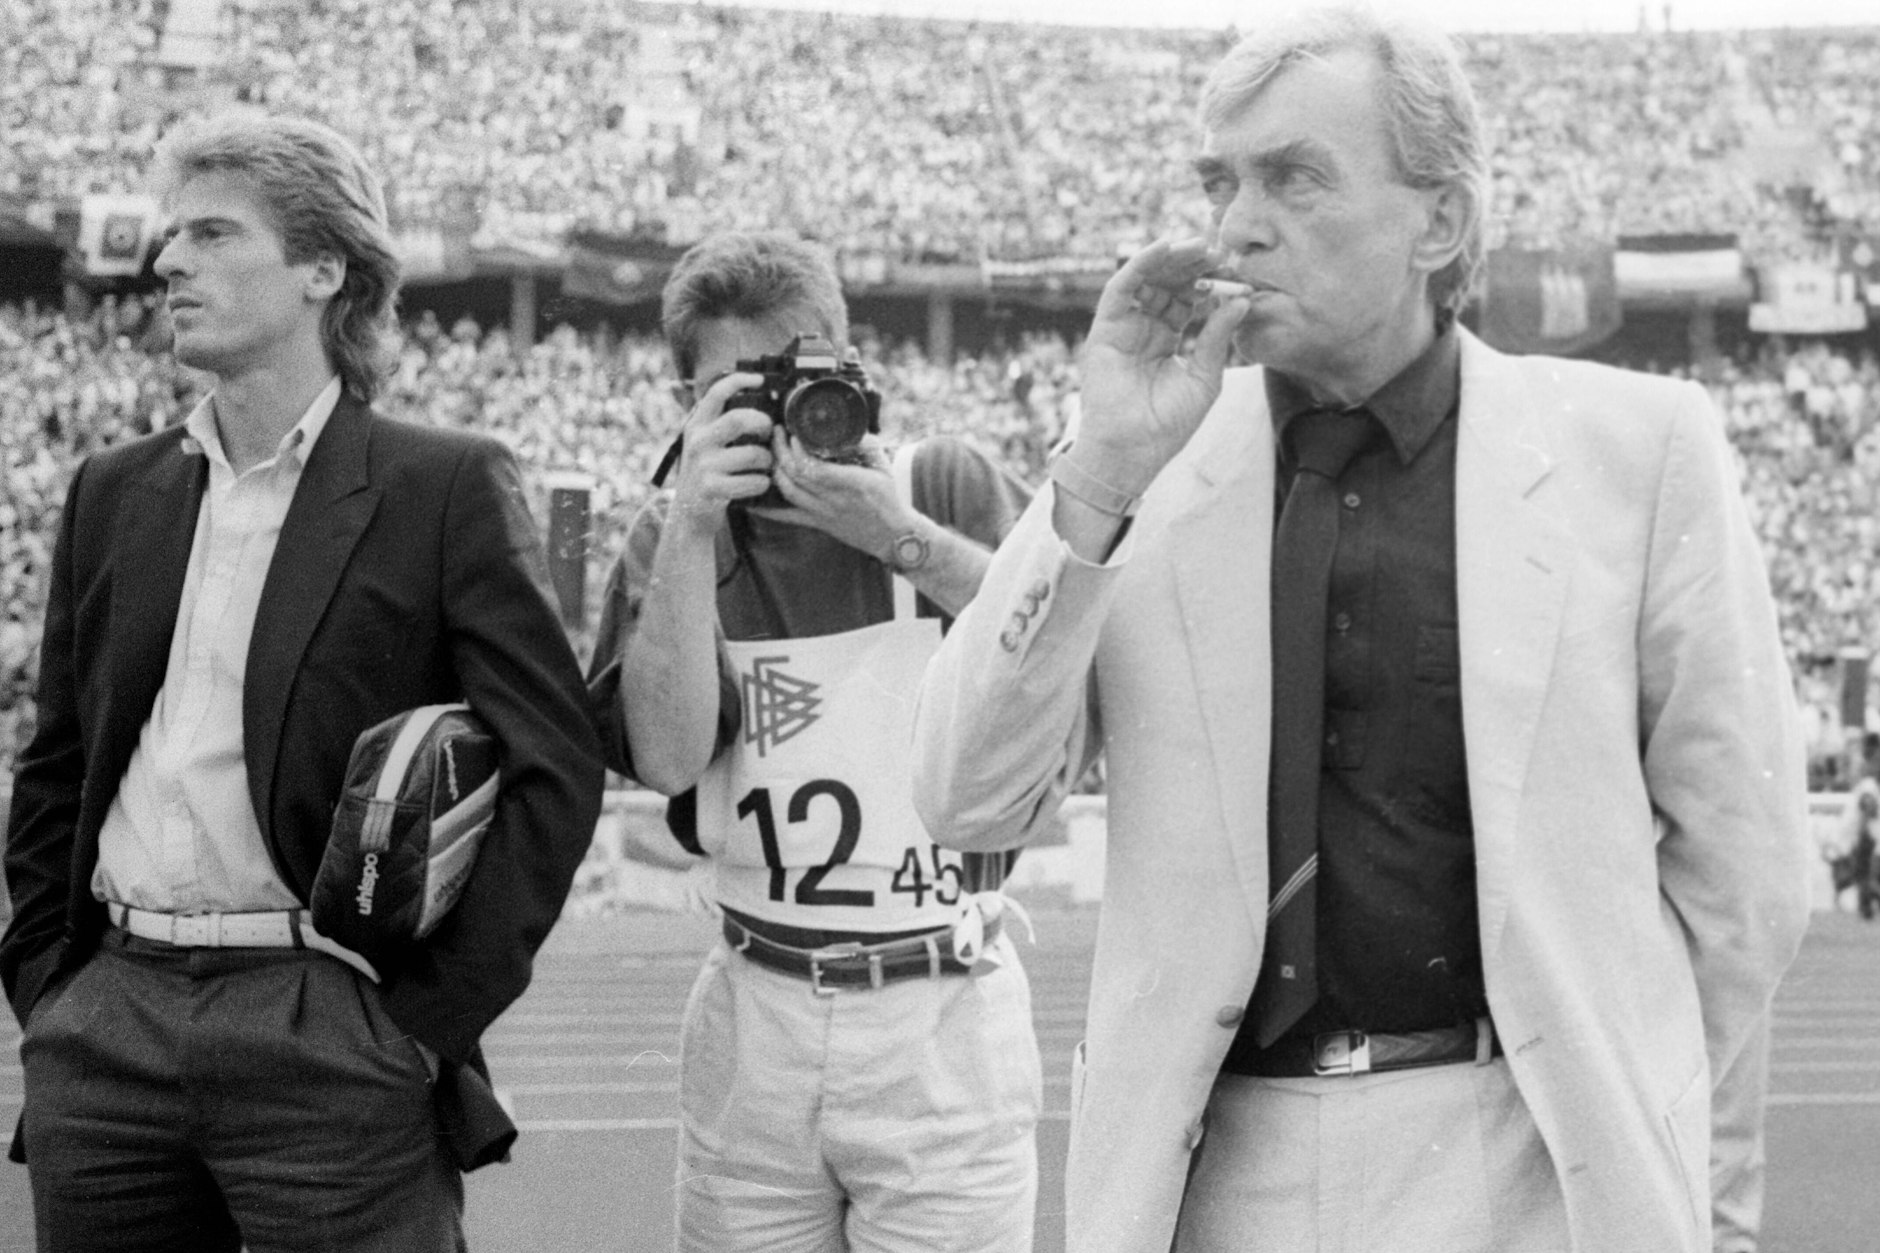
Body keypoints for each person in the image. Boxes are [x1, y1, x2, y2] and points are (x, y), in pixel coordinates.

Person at [910, 8, 1811, 1252]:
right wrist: (1099, 470)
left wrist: (1677, 1170)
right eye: (1218, 181)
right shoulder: (1139, 471)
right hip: (1220, 1170)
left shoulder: (1639, 453)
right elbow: (965, 802)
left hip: (1533, 1158)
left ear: (1436, 222)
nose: (1234, 224)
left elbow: (1741, 883)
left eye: (1292, 175)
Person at [1, 111, 605, 1251]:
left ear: (325, 267)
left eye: (214, 233)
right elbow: (59, 759)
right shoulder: (112, 488)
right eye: (173, 234)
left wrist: (421, 1022)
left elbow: (555, 765)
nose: (168, 258)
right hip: (106, 1024)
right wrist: (49, 985)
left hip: (329, 1025)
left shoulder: (444, 484)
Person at [587, 230, 1041, 1252]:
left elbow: (1049, 664)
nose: (778, 416)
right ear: (687, 405)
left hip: (939, 995)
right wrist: (693, 526)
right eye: (734, 394)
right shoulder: (672, 540)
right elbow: (663, 756)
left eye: (795, 379)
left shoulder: (945, 482)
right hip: (757, 1002)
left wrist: (896, 536)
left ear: (853, 374)